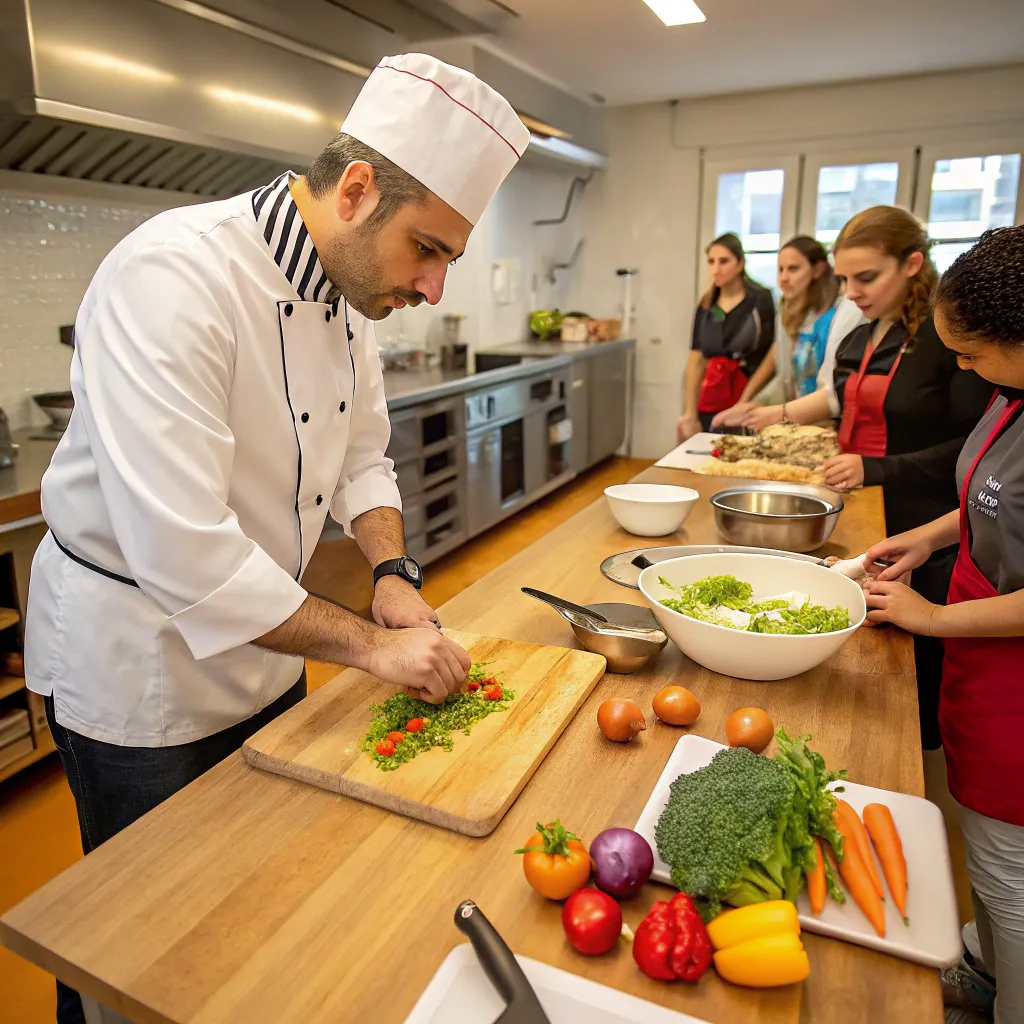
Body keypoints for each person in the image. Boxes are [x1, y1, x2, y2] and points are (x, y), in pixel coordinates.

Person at [24, 53, 529, 1024]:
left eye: (447, 260)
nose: (432, 286)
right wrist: (373, 648)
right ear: (356, 190)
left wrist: (391, 572)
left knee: (256, 906)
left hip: (272, 649)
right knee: (139, 944)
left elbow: (363, 457)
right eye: (426, 249)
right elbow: (186, 555)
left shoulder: (351, 295)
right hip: (143, 671)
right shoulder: (174, 276)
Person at [741, 207, 993, 751]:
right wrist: (781, 417)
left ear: (912, 264)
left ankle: (903, 758)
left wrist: (875, 467)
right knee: (853, 647)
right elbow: (841, 401)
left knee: (903, 675)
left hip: (927, 523)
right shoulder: (861, 335)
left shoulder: (946, 343)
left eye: (867, 277)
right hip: (867, 511)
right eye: (845, 279)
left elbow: (972, 447)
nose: (851, 291)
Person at [862, 225, 1024, 1024]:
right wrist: (930, 537)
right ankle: (987, 968)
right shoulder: (1012, 395)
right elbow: (986, 499)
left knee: (1007, 871)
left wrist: (933, 615)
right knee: (985, 845)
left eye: (972, 354)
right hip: (979, 651)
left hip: (1012, 679)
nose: (961, 369)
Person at [711, 235, 863, 426]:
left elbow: (837, 389)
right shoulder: (789, 311)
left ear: (818, 269)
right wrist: (747, 402)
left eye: (793, 269)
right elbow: (780, 363)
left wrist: (772, 410)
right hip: (799, 419)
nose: (783, 277)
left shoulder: (844, 312)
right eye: (780, 269)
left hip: (833, 422)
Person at [676, 233, 775, 441]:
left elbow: (772, 355)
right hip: (711, 395)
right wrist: (690, 412)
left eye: (724, 261)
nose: (716, 269)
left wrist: (744, 400)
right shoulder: (707, 305)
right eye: (711, 262)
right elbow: (696, 358)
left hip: (749, 395)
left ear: (740, 264)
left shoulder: (760, 299)